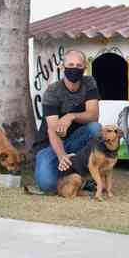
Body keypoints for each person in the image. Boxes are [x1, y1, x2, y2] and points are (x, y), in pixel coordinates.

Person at [33, 49, 101, 193]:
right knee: (48, 185)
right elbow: (52, 130)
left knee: (95, 128)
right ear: (63, 67)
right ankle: (70, 172)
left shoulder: (89, 82)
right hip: (50, 145)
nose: (74, 69)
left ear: (84, 67)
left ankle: (83, 174)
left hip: (75, 141)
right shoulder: (53, 91)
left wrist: (71, 116)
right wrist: (61, 155)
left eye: (78, 65)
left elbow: (93, 115)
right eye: (70, 64)